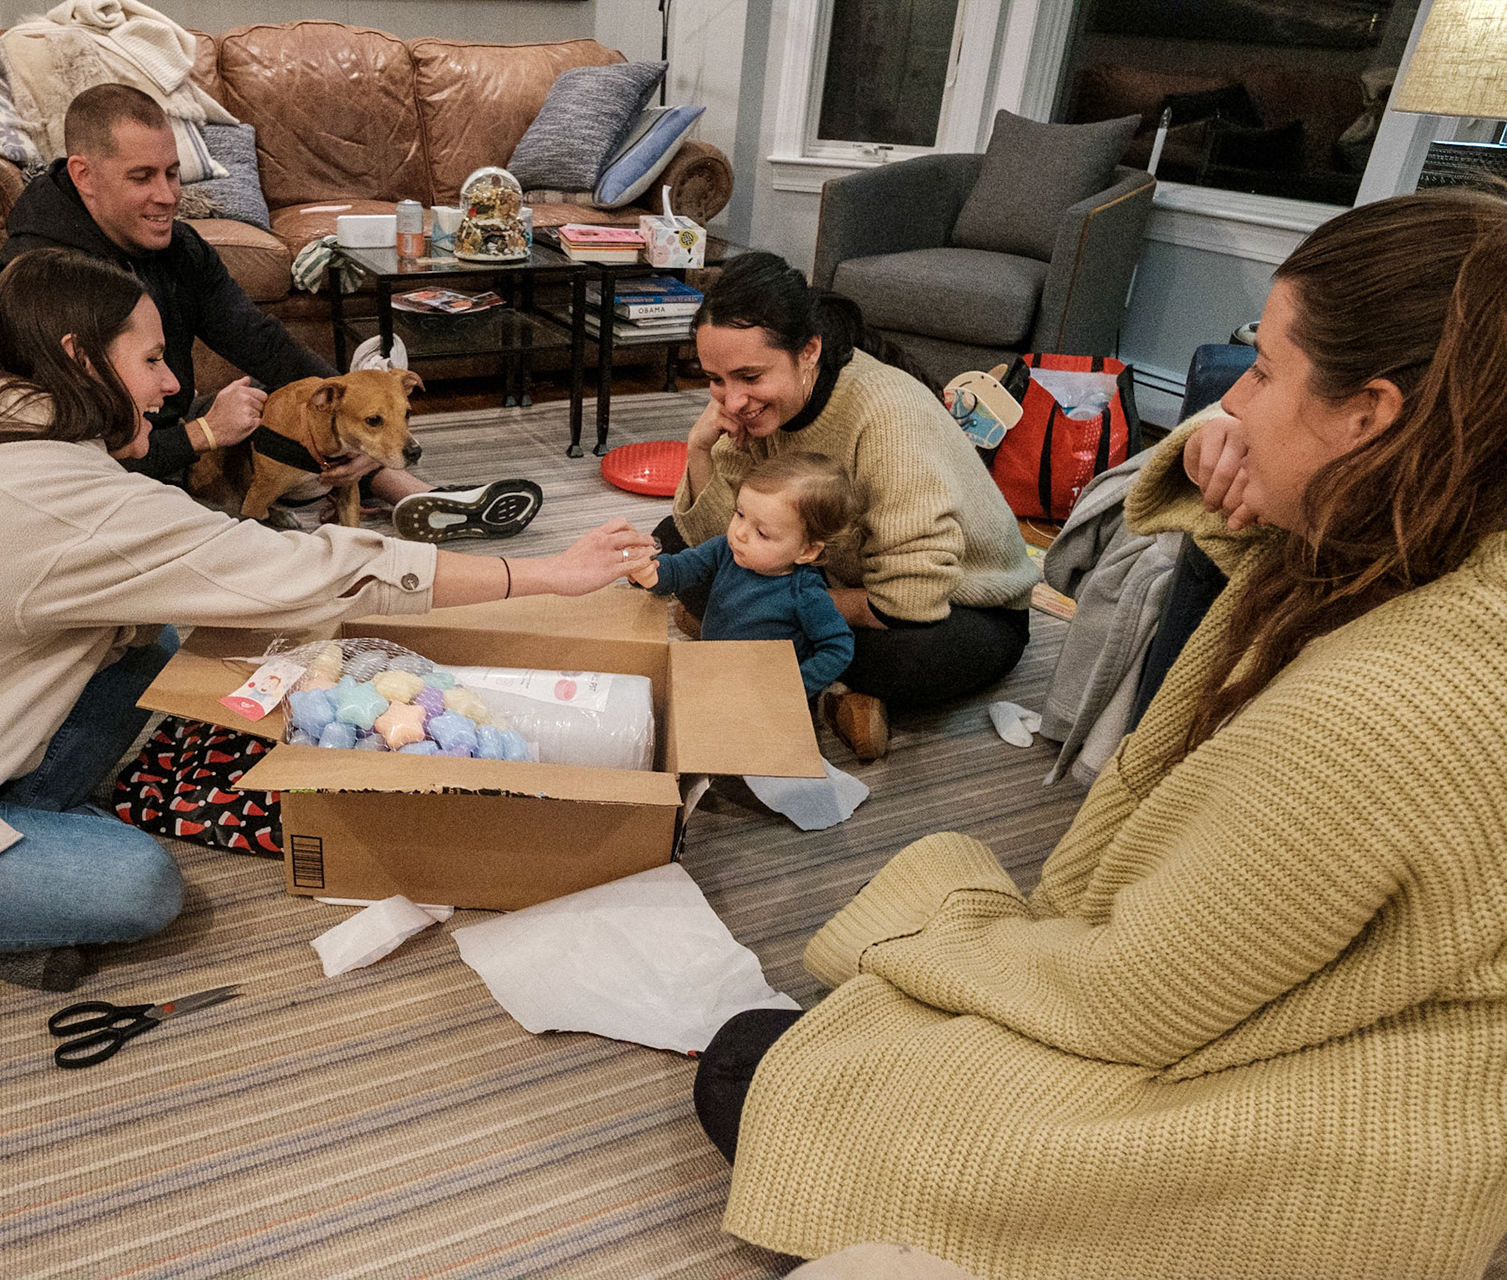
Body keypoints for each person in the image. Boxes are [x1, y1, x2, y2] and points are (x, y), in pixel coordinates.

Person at [694, 191, 1507, 1278]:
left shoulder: (1383, 712)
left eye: (1262, 370)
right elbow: (708, 536)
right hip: (1334, 1039)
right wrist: (713, 456)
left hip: (1328, 1124)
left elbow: (1137, 993)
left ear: (1369, 413)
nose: (1229, 402)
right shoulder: (1442, 542)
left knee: (763, 1067)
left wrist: (936, 948)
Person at [0, 249, 654, 993]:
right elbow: (310, 572)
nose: (173, 382)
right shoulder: (63, 502)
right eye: (150, 359)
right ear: (79, 359)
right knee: (138, 885)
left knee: (156, 638)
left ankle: (5, 834)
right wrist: (542, 574)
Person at [0, 83, 542, 544]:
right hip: (98, 466)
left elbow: (259, 341)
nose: (168, 195)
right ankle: (260, 527)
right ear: (84, 176)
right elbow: (62, 454)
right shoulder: (37, 284)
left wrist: (344, 404)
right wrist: (201, 434)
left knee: (284, 411)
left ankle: (404, 491)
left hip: (166, 426)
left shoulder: (177, 247)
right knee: (231, 530)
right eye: (142, 177)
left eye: (172, 173)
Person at [658, 252, 1038, 760]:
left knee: (906, 659)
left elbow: (910, 600)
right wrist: (699, 449)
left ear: (808, 351)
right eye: (716, 379)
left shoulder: (886, 415)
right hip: (824, 571)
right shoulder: (753, 408)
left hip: (959, 607)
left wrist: (774, 601)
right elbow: (727, 536)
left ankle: (789, 666)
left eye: (750, 376)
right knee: (672, 539)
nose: (732, 402)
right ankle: (801, 669)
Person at [631, 453, 855, 697]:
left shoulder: (805, 593)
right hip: (718, 670)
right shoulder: (724, 550)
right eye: (739, 514)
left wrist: (795, 685)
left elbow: (838, 647)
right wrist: (650, 573)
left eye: (762, 533)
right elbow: (681, 568)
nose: (739, 533)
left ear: (807, 551)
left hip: (764, 695)